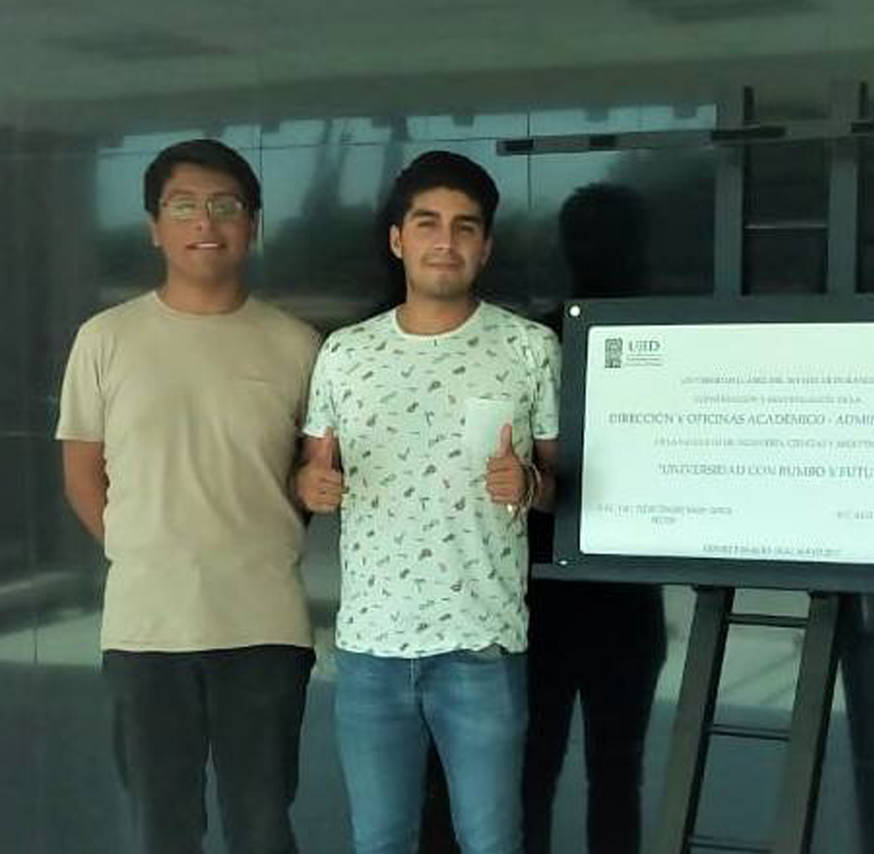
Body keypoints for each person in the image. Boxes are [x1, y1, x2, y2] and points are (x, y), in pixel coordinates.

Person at [57, 138, 320, 854]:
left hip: (263, 625)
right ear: (155, 226)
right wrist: (141, 550)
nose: (206, 222)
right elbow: (82, 472)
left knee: (262, 827)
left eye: (225, 206)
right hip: (147, 629)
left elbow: (312, 475)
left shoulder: (298, 345)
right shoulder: (105, 339)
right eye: (184, 207)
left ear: (252, 223)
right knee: (162, 828)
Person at [296, 150, 559, 854]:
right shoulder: (345, 353)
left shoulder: (529, 348)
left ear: (486, 246)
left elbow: (559, 481)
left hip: (483, 643)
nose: (446, 241)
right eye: (427, 223)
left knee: (491, 841)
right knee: (379, 840)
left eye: (465, 226)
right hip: (371, 649)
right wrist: (309, 485)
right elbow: (312, 468)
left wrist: (531, 486)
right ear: (397, 239)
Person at [522, 183, 667, 854]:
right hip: (611, 601)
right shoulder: (670, 342)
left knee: (536, 773)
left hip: (546, 595)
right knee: (613, 776)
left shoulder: (537, 341)